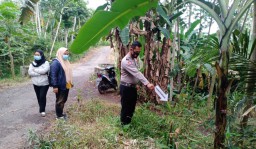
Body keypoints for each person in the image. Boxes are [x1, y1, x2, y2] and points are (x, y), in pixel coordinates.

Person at [120, 41, 154, 125]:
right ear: (131, 49)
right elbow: (136, 73)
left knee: (132, 107)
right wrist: (147, 83)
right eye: (136, 52)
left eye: (139, 52)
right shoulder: (126, 61)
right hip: (126, 88)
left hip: (132, 87)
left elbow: (134, 74)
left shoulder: (134, 59)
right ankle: (124, 125)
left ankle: (128, 123)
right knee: (126, 107)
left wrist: (136, 84)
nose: (137, 54)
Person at [49, 47, 73, 119]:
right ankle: (59, 116)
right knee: (60, 100)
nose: (66, 55)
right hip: (60, 85)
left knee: (64, 99)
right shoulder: (56, 63)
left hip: (66, 84)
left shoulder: (65, 62)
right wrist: (55, 86)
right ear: (60, 54)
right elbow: (53, 75)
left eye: (67, 54)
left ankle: (61, 113)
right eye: (64, 54)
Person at [28, 50, 50, 117]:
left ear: (41, 55)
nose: (36, 56)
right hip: (35, 83)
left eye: (38, 55)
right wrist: (40, 73)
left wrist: (35, 70)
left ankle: (42, 110)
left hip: (44, 83)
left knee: (42, 96)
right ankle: (41, 108)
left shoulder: (46, 63)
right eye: (35, 55)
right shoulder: (32, 63)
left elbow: (44, 71)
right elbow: (30, 72)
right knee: (38, 96)